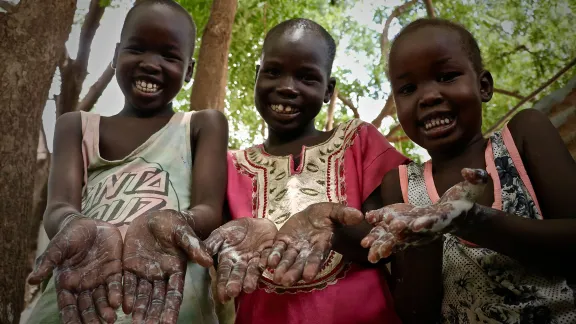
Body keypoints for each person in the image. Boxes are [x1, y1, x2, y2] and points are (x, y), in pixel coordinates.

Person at [361, 18, 576, 323]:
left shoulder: (524, 136)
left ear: (483, 86)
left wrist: (475, 221)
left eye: (447, 76)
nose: (428, 96)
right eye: (408, 88)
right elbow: (415, 313)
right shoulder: (401, 186)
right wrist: (425, 238)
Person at [26, 1, 230, 323]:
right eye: (137, 49)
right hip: (78, 295)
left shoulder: (203, 125)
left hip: (171, 304)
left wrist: (170, 222)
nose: (151, 64)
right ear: (116, 53)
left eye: (169, 55)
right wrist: (74, 225)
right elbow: (59, 206)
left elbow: (208, 210)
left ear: (189, 70)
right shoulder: (75, 126)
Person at [204, 18, 408, 324]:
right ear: (256, 76)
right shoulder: (230, 167)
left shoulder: (358, 141)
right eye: (273, 72)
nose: (287, 87)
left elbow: (389, 240)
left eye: (306, 77)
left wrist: (333, 228)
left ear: (328, 90)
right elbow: (218, 251)